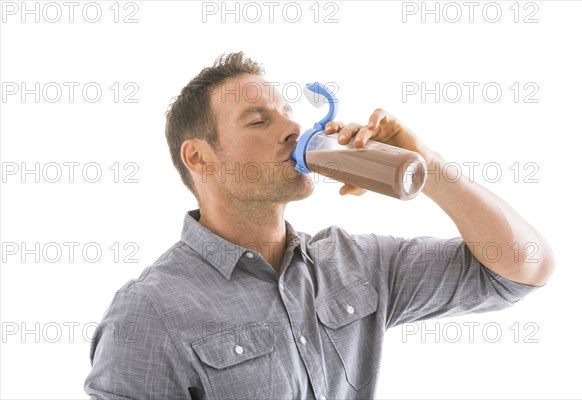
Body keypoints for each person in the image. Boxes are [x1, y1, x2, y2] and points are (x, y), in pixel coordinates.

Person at [84, 52, 555, 399]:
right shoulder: (148, 312)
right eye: (258, 120)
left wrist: (424, 164)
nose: (291, 127)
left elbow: (522, 268)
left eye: (288, 112)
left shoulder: (355, 265)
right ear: (199, 157)